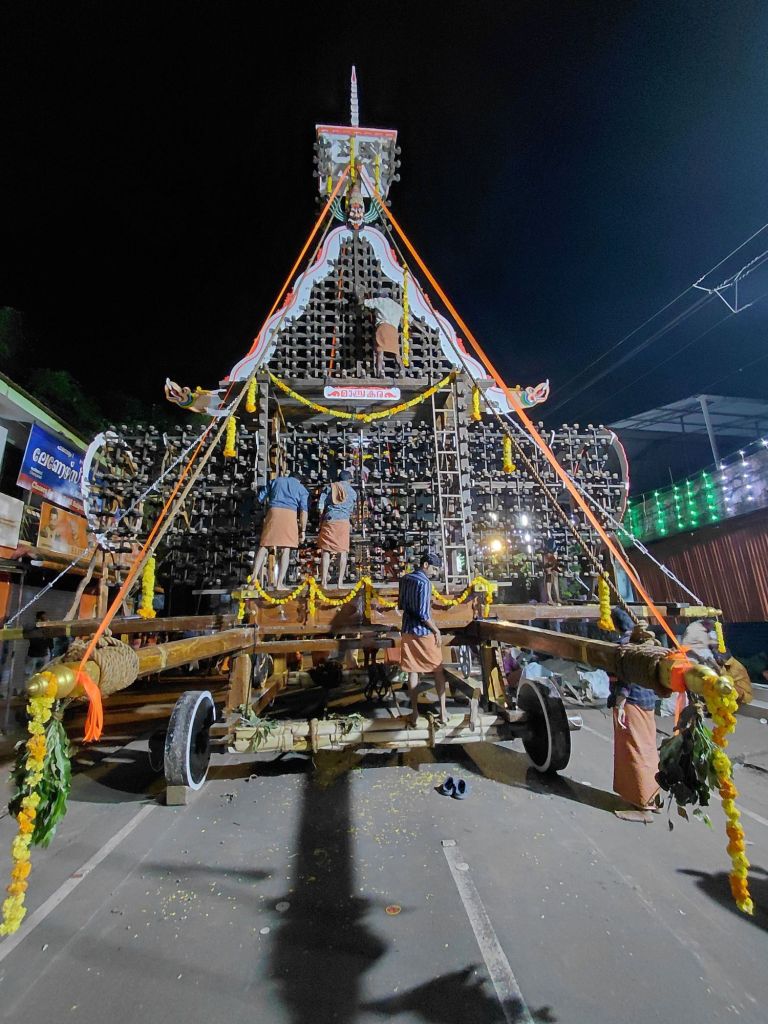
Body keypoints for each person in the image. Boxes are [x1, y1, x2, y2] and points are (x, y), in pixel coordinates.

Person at [608, 608, 660, 823]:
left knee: (634, 750)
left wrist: (619, 704)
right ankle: (653, 800)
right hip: (649, 702)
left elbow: (625, 679)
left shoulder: (626, 645)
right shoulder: (648, 642)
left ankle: (643, 808)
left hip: (633, 702)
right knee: (648, 749)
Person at [398, 551, 448, 726]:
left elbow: (401, 605)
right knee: (437, 670)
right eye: (434, 569)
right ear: (425, 565)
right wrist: (436, 631)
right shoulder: (425, 583)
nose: (434, 573)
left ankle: (415, 713)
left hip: (407, 630)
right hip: (423, 632)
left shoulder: (404, 579)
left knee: (413, 671)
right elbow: (424, 614)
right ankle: (443, 713)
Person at [252, 469, 309, 591]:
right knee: (286, 549)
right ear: (299, 480)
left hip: (274, 512)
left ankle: (253, 577)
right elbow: (304, 511)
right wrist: (302, 531)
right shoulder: (301, 489)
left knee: (264, 545)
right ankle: (279, 584)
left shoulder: (275, 481)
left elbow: (260, 498)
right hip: (289, 515)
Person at [317, 470, 357, 589]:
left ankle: (324, 581)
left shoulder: (330, 487)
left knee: (326, 551)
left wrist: (322, 515)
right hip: (343, 521)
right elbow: (351, 509)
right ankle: (340, 582)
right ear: (349, 480)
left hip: (330, 519)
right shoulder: (352, 492)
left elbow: (321, 505)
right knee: (343, 552)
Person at [363, 294, 404, 377]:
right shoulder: (398, 307)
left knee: (380, 352)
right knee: (396, 353)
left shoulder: (381, 301)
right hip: (393, 330)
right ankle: (402, 371)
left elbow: (366, 303)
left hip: (383, 327)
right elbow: (408, 318)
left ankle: (379, 372)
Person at [26, 610, 53, 678]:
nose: (46, 620)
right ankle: (28, 687)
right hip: (34, 655)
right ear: (38, 620)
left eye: (46, 618)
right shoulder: (32, 629)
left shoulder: (47, 629)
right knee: (29, 675)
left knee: (43, 674)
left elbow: (50, 642)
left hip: (44, 654)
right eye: (44, 619)